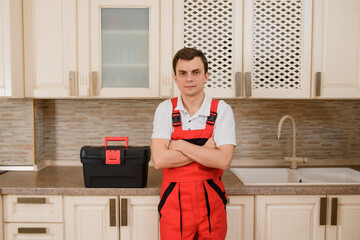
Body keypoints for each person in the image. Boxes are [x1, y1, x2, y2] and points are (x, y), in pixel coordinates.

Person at [151, 47, 236, 240]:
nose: (189, 78)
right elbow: (160, 160)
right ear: (175, 78)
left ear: (206, 76)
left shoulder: (222, 110)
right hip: (173, 205)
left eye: (195, 72)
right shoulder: (165, 110)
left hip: (211, 204)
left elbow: (223, 160)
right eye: (183, 73)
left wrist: (180, 145)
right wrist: (205, 150)